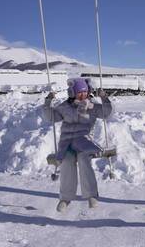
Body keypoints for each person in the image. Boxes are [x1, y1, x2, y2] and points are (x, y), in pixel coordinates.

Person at [43, 78, 113, 212]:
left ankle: (91, 196)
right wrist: (48, 101)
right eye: (79, 92)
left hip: (84, 142)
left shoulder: (91, 107)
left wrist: (104, 98)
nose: (83, 95)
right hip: (67, 143)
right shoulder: (65, 107)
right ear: (72, 93)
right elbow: (51, 116)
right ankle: (65, 198)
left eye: (85, 92)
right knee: (66, 162)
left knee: (83, 160)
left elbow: (106, 112)